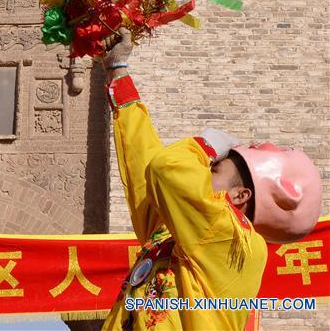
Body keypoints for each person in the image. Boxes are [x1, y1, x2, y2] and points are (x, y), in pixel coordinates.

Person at [101, 30, 322, 330]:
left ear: (240, 196)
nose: (203, 171)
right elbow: (146, 173)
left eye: (214, 170)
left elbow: (165, 168)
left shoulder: (237, 242)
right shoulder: (179, 231)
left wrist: (207, 143)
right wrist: (118, 71)